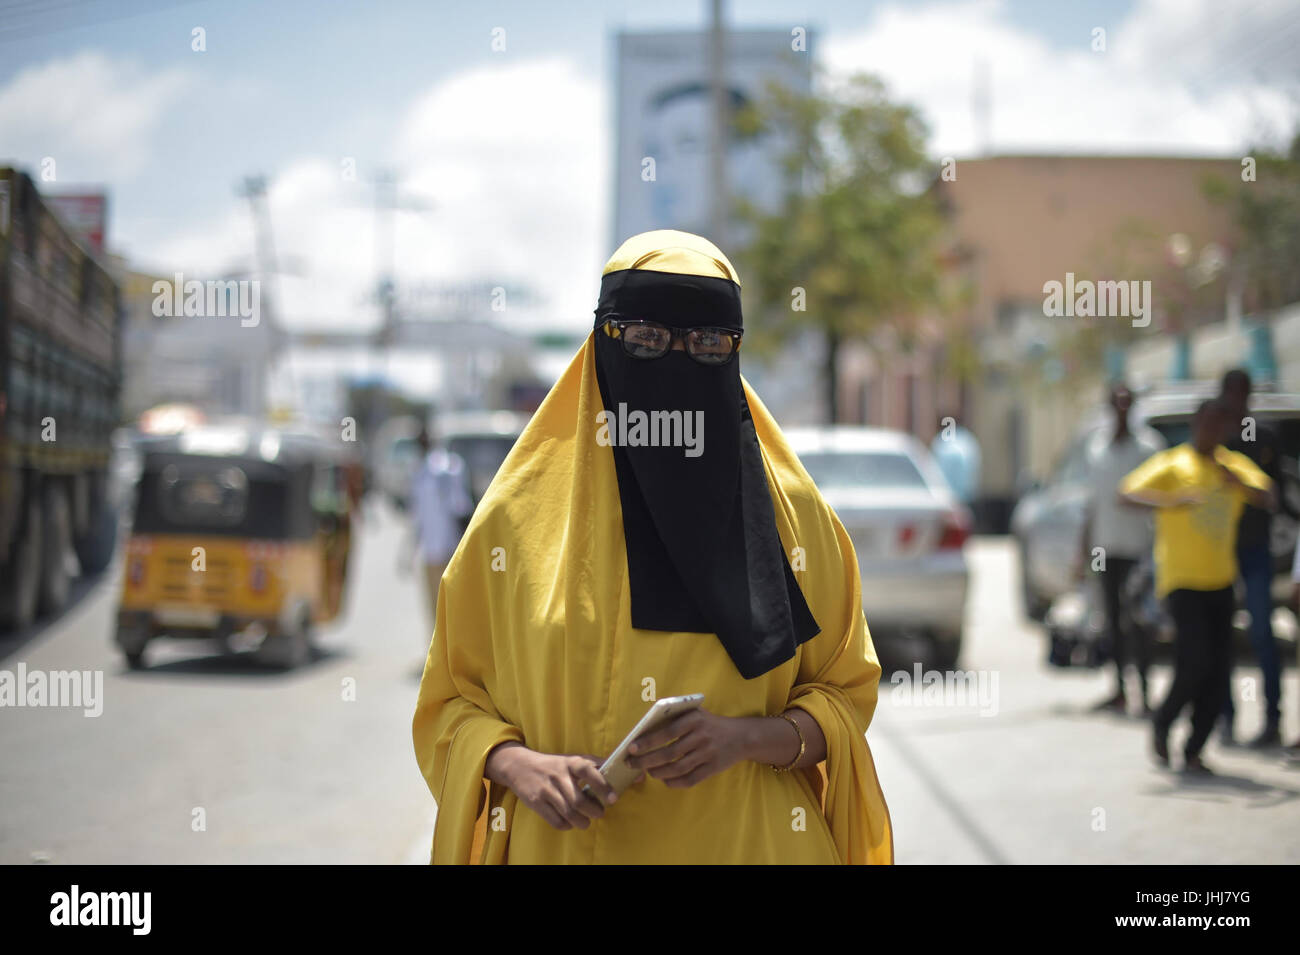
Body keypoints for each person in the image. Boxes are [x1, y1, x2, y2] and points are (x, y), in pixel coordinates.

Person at [412, 230, 893, 863]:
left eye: (707, 342)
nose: (676, 360)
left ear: (735, 350)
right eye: (644, 339)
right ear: (600, 345)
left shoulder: (793, 517)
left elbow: (843, 694)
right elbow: (450, 704)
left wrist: (745, 740)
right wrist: (516, 764)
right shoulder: (515, 522)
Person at [1119, 399, 1275, 774]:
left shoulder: (1231, 465)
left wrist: (1239, 484)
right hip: (1181, 581)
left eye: (1218, 426)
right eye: (1205, 425)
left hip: (1221, 581)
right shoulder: (1174, 463)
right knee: (1194, 661)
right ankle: (1162, 722)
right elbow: (1126, 494)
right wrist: (1171, 500)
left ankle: (1194, 748)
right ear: (1195, 426)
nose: (1211, 432)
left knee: (1220, 670)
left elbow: (1270, 496)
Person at [1078, 384, 1164, 714]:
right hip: (1106, 548)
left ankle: (1145, 691)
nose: (1122, 411)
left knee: (1140, 621)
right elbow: (1091, 504)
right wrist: (1081, 549)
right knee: (1112, 620)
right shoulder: (1097, 449)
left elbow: (1161, 496)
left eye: (1128, 405)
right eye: (1117, 405)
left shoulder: (1149, 448)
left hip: (1139, 548)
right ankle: (1119, 690)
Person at [1219, 368, 1290, 747]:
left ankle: (1272, 719)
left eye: (1241, 394)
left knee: (1262, 633)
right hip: (1219, 553)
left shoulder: (1263, 438)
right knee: (1222, 638)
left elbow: (1277, 494)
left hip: (1257, 549)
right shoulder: (1215, 440)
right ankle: (1225, 717)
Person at [407, 424, 473, 643]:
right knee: (433, 606)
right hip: (431, 551)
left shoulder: (449, 467)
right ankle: (439, 653)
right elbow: (419, 519)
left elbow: (461, 508)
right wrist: (409, 551)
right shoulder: (420, 472)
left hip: (448, 549)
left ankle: (452, 651)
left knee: (449, 605)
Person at [930, 413, 981, 506]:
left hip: (946, 496)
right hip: (968, 495)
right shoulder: (967, 439)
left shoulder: (942, 442)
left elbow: (937, 471)